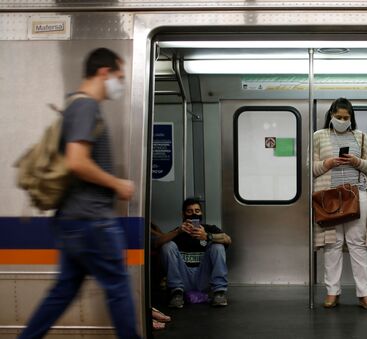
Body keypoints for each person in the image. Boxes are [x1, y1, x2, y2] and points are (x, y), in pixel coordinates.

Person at [19, 48, 140, 339]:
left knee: (63, 291)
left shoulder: (74, 104)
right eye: (119, 76)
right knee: (118, 288)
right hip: (91, 219)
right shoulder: (85, 107)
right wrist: (116, 184)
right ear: (103, 72)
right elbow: (77, 161)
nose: (120, 84)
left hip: (72, 219)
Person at [313, 98, 367, 310]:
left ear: (351, 118)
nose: (342, 120)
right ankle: (332, 292)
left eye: (346, 118)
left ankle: (365, 294)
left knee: (357, 245)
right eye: (338, 117)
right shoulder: (318, 136)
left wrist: (356, 162)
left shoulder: (360, 137)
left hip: (356, 195)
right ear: (331, 115)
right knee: (332, 245)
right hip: (329, 196)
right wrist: (328, 163)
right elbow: (310, 168)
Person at [153, 197, 231, 308]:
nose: (194, 214)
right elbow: (156, 243)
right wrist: (177, 231)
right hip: (183, 279)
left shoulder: (210, 228)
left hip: (204, 278)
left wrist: (207, 236)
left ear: (201, 213)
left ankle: (219, 292)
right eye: (189, 211)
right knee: (167, 245)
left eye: (197, 211)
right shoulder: (178, 231)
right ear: (184, 215)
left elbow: (228, 239)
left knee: (218, 246)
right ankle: (176, 292)